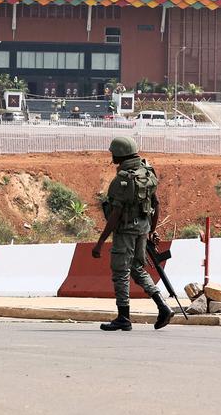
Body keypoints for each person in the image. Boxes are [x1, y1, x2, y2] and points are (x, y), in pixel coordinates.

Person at [92, 137, 173, 331]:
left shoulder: (122, 180)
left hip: (126, 230)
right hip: (143, 229)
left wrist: (100, 242)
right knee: (137, 268)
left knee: (121, 271)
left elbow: (115, 215)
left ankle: (123, 317)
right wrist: (152, 230)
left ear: (120, 154)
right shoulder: (147, 172)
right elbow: (156, 204)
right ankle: (162, 306)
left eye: (113, 153)